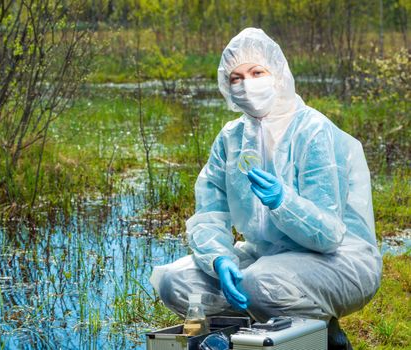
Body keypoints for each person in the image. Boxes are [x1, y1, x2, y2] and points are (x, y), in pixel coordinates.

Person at [150, 28, 382, 350]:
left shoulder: (313, 131)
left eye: (257, 72)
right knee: (175, 282)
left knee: (262, 283)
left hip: (341, 259)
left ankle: (327, 340)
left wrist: (283, 202)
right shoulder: (231, 138)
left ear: (278, 74)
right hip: (266, 256)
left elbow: (329, 234)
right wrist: (219, 258)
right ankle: (250, 336)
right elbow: (209, 213)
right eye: (236, 77)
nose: (246, 83)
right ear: (227, 87)